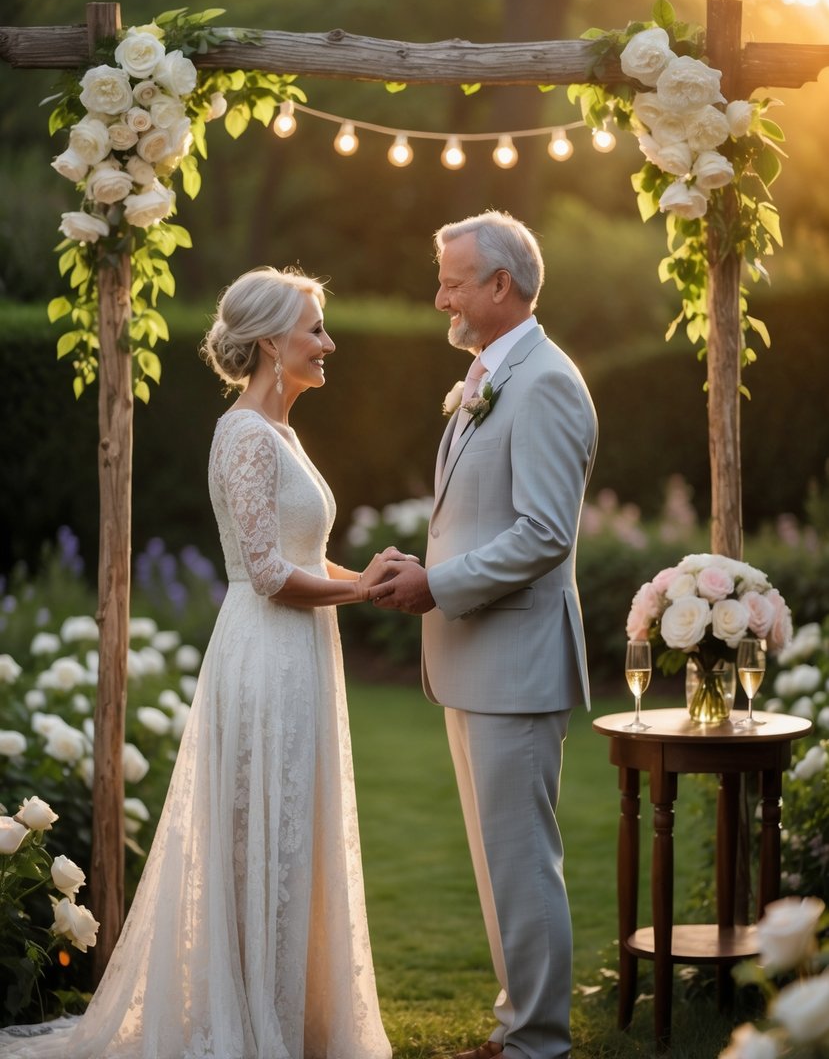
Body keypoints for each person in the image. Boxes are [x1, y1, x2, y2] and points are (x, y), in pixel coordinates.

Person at [1, 266, 404, 1059]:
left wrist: (364, 575)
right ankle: (251, 1019)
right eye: (313, 329)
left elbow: (295, 553)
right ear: (267, 344)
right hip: (264, 654)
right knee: (264, 831)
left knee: (294, 831)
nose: (328, 343)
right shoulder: (246, 435)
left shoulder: (279, 431)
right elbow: (265, 573)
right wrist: (362, 592)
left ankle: (291, 1013)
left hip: (299, 652)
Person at [374, 212, 598, 1059]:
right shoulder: (489, 372)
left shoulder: (542, 381)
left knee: (522, 862)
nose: (441, 297)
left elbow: (545, 533)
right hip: (474, 661)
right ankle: (517, 1029)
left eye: (454, 281)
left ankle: (536, 1042)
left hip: (515, 662)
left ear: (500, 286)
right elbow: (484, 516)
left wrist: (438, 584)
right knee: (494, 861)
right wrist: (422, 558)